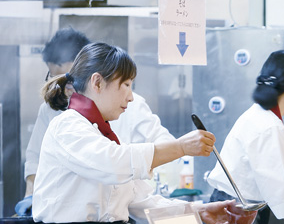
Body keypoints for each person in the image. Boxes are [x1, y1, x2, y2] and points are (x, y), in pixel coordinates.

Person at [29, 43, 256, 224]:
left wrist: (198, 211)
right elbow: (112, 163)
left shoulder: (102, 134)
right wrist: (180, 147)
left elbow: (139, 199)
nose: (131, 97)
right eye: (125, 85)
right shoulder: (67, 126)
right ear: (97, 82)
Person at [22, 27, 175, 200]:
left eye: (71, 76)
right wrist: (30, 196)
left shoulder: (130, 105)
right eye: (54, 76)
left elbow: (160, 142)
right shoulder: (64, 120)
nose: (66, 85)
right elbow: (35, 157)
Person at [206, 50, 284, 224]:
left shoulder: (258, 115)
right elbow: (279, 195)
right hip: (235, 215)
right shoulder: (270, 127)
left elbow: (274, 192)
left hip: (233, 208)